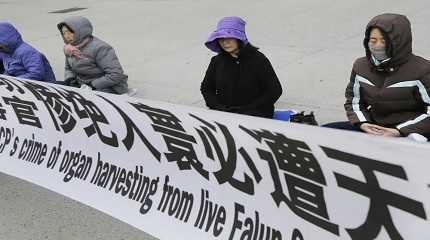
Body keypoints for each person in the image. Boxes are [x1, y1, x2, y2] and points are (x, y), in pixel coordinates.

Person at [324, 13, 430, 140]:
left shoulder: (422, 69)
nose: (377, 45)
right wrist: (363, 123)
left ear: (399, 42)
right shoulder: (360, 66)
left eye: (384, 41)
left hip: (411, 132)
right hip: (373, 128)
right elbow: (353, 101)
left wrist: (399, 131)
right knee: (324, 132)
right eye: (373, 40)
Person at [200, 16, 282, 118]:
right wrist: (218, 107)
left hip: (255, 116)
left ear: (239, 38)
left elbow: (274, 90)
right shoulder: (217, 61)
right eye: (221, 39)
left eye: (229, 38)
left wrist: (248, 110)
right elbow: (206, 88)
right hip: (224, 114)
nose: (225, 43)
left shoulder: (258, 60)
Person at [57, 16, 129, 94]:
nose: (67, 36)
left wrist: (92, 85)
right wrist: (70, 79)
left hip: (106, 87)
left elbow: (116, 74)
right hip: (82, 85)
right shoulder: (69, 49)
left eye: (70, 32)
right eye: (64, 33)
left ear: (81, 31)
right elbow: (68, 68)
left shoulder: (100, 48)